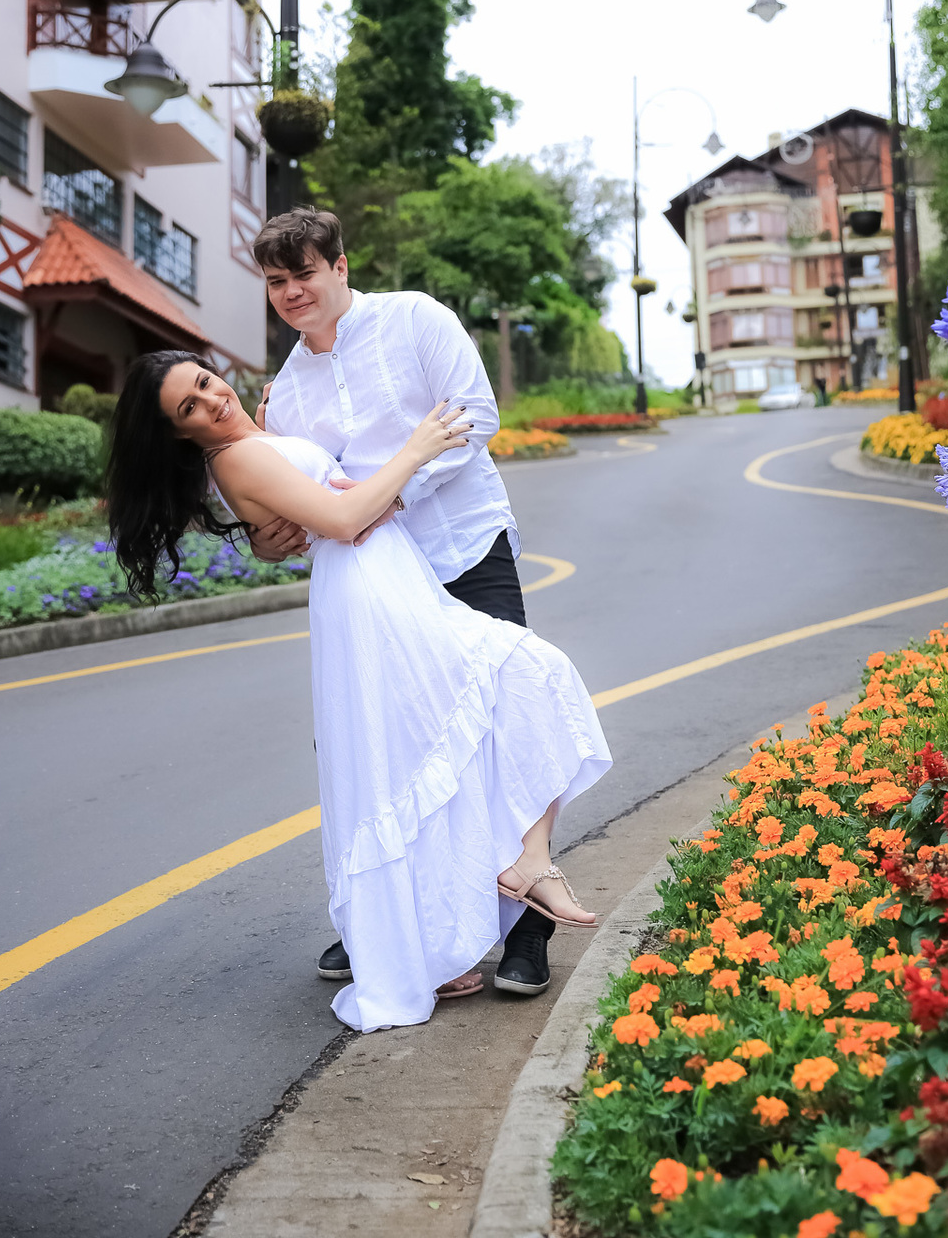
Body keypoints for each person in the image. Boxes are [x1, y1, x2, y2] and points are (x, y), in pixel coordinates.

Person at [105, 352, 611, 1033]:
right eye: (188, 407)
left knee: (427, 745)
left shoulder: (252, 439)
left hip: (386, 579)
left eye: (204, 381)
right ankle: (495, 887)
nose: (212, 400)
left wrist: (276, 454)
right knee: (525, 677)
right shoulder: (236, 458)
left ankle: (493, 890)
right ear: (176, 432)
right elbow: (343, 520)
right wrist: (417, 450)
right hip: (370, 589)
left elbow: (303, 509)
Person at [248, 206, 567, 997]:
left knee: (507, 719)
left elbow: (476, 416)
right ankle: (389, 920)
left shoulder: (415, 320)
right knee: (392, 747)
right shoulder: (285, 396)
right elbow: (300, 503)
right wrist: (272, 534)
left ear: (340, 266)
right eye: (277, 282)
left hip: (464, 546)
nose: (291, 292)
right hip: (376, 585)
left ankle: (528, 927)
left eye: (304, 274)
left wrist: (394, 495)